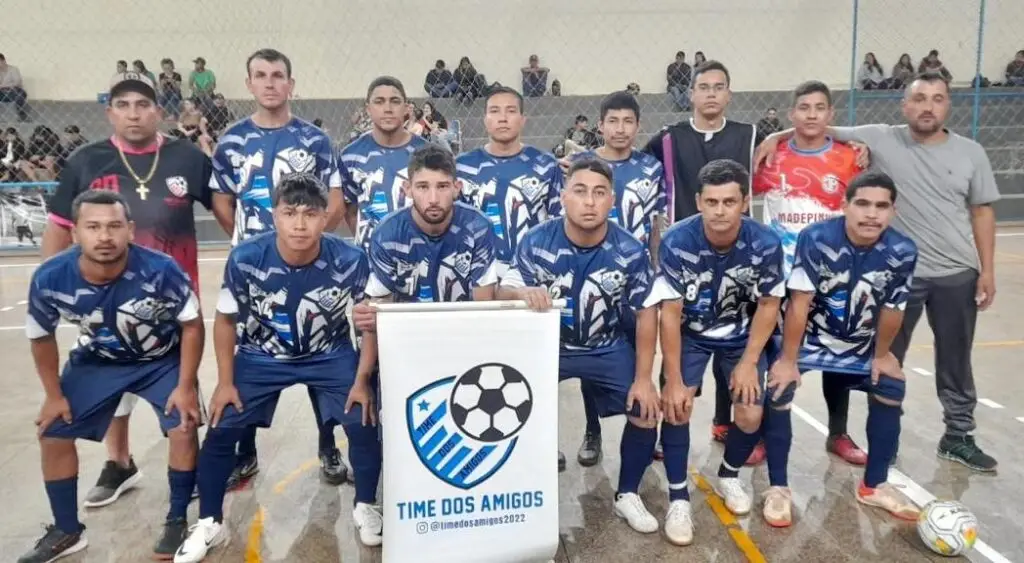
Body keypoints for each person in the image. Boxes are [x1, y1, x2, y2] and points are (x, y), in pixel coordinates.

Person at [756, 71, 1001, 472]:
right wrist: (773, 137)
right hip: (854, 274)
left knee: (945, 359)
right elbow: (813, 125)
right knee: (874, 359)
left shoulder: (966, 152)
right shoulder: (879, 136)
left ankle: (954, 435)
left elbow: (982, 210)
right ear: (904, 105)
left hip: (945, 271)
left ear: (948, 105)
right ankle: (884, 439)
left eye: (938, 99)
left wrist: (986, 270)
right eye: (920, 99)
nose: (928, 106)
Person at [174, 174, 382, 563]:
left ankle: (367, 505)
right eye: (289, 213)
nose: (299, 224)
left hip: (329, 352)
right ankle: (209, 522)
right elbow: (223, 320)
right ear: (274, 216)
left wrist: (361, 380)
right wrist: (224, 382)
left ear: (326, 218)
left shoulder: (352, 259)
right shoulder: (246, 257)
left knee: (363, 418)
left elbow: (367, 324)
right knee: (222, 425)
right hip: (260, 354)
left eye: (310, 214)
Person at [40, 71, 222, 510]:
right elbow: (60, 225)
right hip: (102, 299)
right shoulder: (87, 160)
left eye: (143, 105)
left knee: (181, 389)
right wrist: (51, 282)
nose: (134, 114)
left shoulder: (188, 158)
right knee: (111, 385)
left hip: (173, 302)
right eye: (123, 106)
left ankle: (187, 471)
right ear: (110, 113)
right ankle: (119, 462)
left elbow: (222, 207)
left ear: (159, 112)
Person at [20, 190, 204, 562]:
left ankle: (177, 519)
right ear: (74, 233)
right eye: (93, 227)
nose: (104, 236)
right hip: (98, 360)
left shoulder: (161, 269)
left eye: (114, 226)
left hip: (159, 357)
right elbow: (41, 337)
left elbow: (192, 325)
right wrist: (54, 395)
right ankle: (67, 530)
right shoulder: (51, 277)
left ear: (131, 230)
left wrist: (186, 386)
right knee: (52, 432)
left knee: (184, 424)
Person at [497, 157, 664, 540]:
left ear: (612, 201)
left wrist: (644, 378)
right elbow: (503, 288)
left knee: (644, 409)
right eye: (580, 191)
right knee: (506, 410)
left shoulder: (629, 249)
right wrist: (522, 291)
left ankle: (627, 494)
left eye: (600, 193)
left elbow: (646, 314)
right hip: (547, 347)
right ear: (563, 197)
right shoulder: (536, 239)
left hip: (605, 346)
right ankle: (514, 497)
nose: (590, 201)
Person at [210, 48, 349, 488]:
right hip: (255, 270)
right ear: (249, 84)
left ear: (291, 84)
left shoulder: (315, 141)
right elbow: (220, 199)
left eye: (278, 76)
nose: (270, 83)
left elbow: (335, 200)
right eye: (260, 76)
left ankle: (328, 447)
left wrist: (307, 239)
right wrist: (253, 244)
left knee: (315, 343)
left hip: (310, 260)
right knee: (251, 351)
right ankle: (244, 450)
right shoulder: (231, 141)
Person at [767, 171, 920, 526]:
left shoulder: (902, 251)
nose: (871, 214)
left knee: (892, 385)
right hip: (811, 340)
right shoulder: (816, 238)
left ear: (893, 211)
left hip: (860, 344)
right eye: (862, 204)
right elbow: (799, 303)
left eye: (882, 206)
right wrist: (789, 360)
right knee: (777, 387)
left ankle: (874, 485)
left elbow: (893, 309)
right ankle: (778, 487)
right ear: (844, 206)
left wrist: (881, 355)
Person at [656, 159, 784, 543]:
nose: (720, 210)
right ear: (698, 201)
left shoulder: (765, 243)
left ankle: (729, 474)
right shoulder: (676, 241)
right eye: (711, 201)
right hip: (690, 333)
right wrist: (675, 378)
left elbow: (768, 305)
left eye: (729, 201)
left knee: (750, 410)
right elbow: (670, 312)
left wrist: (748, 363)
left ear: (744, 202)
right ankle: (678, 497)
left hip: (741, 336)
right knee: (677, 407)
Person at [643, 60, 763, 463]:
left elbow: (795, 142)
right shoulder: (668, 137)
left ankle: (725, 422)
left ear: (729, 94)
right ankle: (667, 428)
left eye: (719, 86)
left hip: (736, 254)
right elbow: (631, 165)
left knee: (730, 334)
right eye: (703, 87)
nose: (711, 93)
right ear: (690, 94)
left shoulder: (750, 135)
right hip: (685, 254)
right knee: (677, 335)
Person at [751, 80, 867, 466]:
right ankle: (767, 433)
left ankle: (839, 433)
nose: (812, 115)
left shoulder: (852, 159)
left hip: (834, 274)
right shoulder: (771, 156)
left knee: (837, 355)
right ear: (792, 114)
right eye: (804, 108)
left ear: (831, 115)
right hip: (782, 277)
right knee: (777, 355)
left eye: (820, 108)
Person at [566, 90, 666, 468]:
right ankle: (592, 431)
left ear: (638, 126)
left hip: (634, 278)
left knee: (641, 354)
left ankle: (642, 427)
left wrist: (657, 271)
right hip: (591, 275)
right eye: (613, 121)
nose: (620, 129)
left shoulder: (650, 168)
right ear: (601, 125)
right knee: (590, 356)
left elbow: (656, 223)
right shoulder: (580, 165)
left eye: (628, 121)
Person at [356, 144, 498, 310]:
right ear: (407, 189)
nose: (433, 199)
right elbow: (380, 308)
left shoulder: (478, 227)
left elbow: (484, 306)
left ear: (456, 188)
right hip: (407, 329)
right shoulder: (387, 234)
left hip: (462, 328)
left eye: (442, 186)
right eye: (423, 187)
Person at [456, 86, 562, 278]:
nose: (503, 118)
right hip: (478, 273)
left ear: (523, 120)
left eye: (511, 111)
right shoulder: (463, 166)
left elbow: (560, 223)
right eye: (494, 111)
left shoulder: (545, 165)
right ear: (485, 120)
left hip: (534, 272)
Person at [339, 76, 429, 251]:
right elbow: (350, 209)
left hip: (419, 256)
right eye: (379, 102)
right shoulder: (350, 156)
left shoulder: (428, 153)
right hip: (371, 261)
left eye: (395, 101)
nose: (387, 109)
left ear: (406, 108)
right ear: (368, 109)